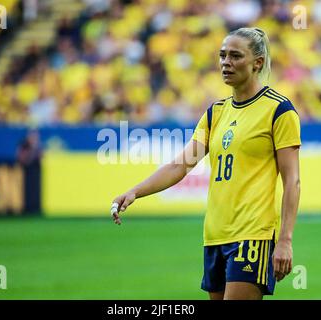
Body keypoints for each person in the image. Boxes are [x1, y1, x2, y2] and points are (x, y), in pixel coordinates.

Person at [111, 27, 301, 300]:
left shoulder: (279, 110)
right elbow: (181, 165)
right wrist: (135, 191)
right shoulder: (216, 112)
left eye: (235, 56)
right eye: (223, 55)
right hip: (214, 236)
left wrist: (285, 240)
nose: (226, 62)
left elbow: (292, 180)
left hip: (252, 235)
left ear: (257, 62)